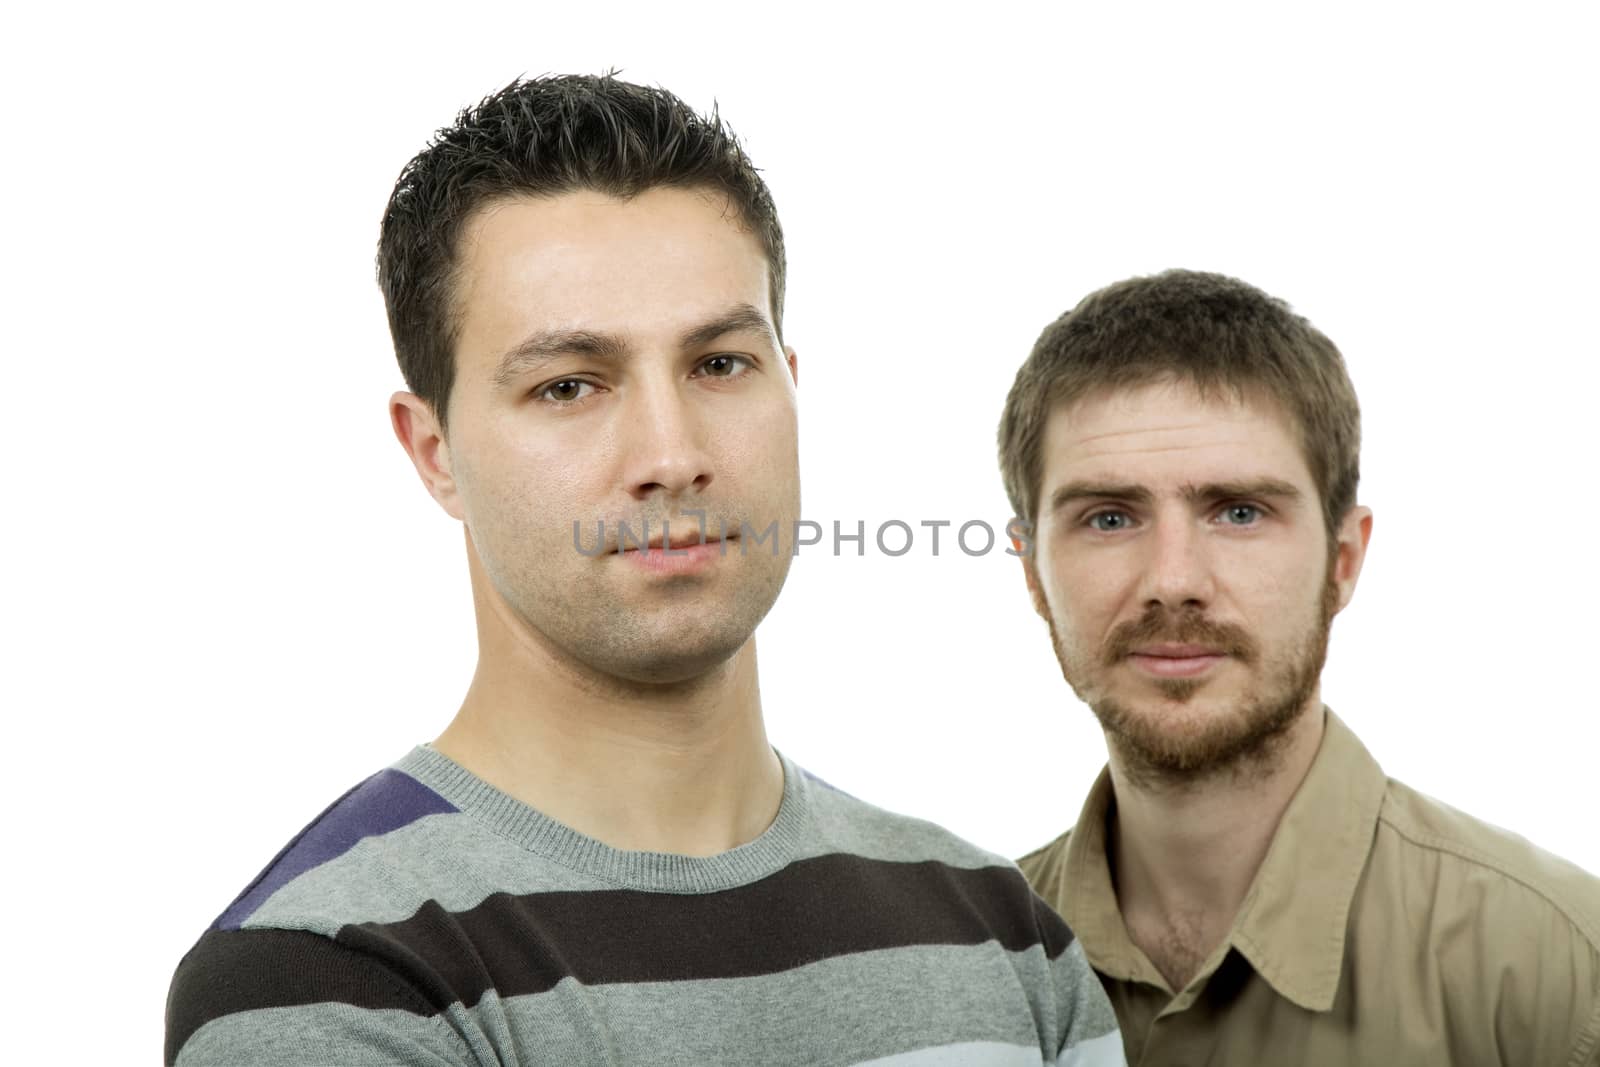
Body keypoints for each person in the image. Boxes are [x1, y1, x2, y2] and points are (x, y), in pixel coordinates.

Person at [163, 75, 1122, 1067]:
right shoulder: (328, 977)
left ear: (792, 385)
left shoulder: (1004, 936)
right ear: (434, 450)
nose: (671, 452)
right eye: (569, 384)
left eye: (718, 364)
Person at [998, 269, 1600, 1065]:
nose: (1173, 579)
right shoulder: (947, 967)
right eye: (1109, 517)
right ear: (1033, 572)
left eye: (1240, 511)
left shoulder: (1558, 977)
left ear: (1343, 560)